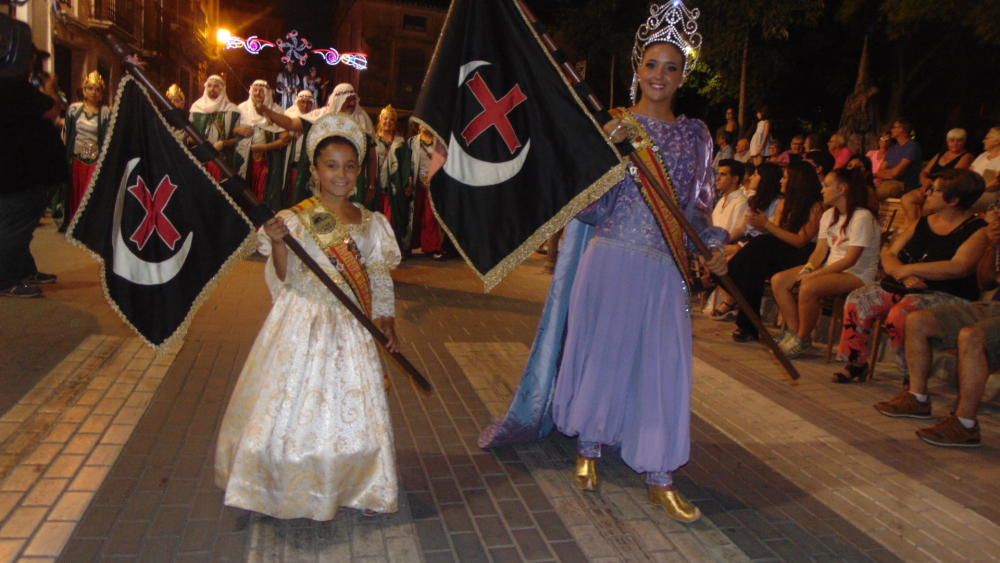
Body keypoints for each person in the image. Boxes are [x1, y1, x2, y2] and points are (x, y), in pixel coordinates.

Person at [479, 3, 728, 523]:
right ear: (637, 68)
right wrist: (607, 160)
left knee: (664, 365)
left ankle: (660, 472)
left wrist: (713, 245)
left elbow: (697, 206)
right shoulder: (613, 128)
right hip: (610, 256)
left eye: (672, 67)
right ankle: (589, 445)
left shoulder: (696, 136)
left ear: (683, 76)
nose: (660, 76)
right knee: (605, 354)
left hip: (663, 268)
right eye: (652, 65)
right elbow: (587, 208)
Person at [214, 113, 402, 520]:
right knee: (291, 407)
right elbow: (285, 277)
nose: (341, 174)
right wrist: (279, 244)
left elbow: (378, 275)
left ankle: (360, 483)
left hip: (352, 328)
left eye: (350, 166)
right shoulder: (297, 219)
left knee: (353, 408)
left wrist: (386, 319)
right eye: (331, 165)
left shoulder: (372, 223)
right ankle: (284, 480)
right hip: (303, 322)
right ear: (314, 169)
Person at [833, 169, 988, 383]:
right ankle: (856, 361)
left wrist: (909, 270)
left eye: (934, 190)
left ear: (953, 200)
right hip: (906, 286)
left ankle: (913, 376)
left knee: (902, 314)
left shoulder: (977, 229)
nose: (926, 193)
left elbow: (959, 266)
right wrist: (901, 274)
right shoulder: (923, 222)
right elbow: (889, 252)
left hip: (947, 293)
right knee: (859, 299)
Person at [874, 208, 999, 448]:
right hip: (992, 306)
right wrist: (992, 246)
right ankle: (917, 398)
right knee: (918, 320)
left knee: (971, 336)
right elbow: (986, 281)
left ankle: (965, 424)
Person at [772, 169, 880, 357]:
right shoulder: (829, 214)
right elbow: (820, 251)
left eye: (828, 185)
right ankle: (797, 334)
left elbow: (850, 259)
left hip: (857, 274)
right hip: (831, 268)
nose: (823, 190)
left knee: (809, 286)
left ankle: (802, 337)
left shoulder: (863, 217)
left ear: (842, 188)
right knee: (779, 281)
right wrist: (808, 268)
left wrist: (814, 275)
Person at [718, 161, 823, 337]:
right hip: (780, 248)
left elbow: (800, 241)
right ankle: (748, 322)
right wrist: (766, 227)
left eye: (786, 178)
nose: (782, 181)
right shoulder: (785, 203)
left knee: (759, 247)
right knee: (753, 266)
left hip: (803, 254)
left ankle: (726, 282)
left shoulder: (814, 206)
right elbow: (776, 233)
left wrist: (766, 225)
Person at [1, 18, 67, 298]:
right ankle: (6, 280)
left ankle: (24, 270)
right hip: (17, 177)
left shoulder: (17, 87)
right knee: (13, 230)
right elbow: (54, 109)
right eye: (30, 58)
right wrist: (50, 87)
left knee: (21, 230)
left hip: (26, 176)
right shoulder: (12, 89)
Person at [62, 71, 110, 228]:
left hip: (95, 158)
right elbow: (66, 134)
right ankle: (74, 224)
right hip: (76, 157)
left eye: (97, 89)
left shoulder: (105, 113)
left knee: (89, 192)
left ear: (102, 93)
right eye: (90, 88)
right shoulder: (74, 109)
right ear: (83, 90)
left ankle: (88, 225)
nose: (93, 92)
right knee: (75, 191)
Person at [901, 128, 975, 223]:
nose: (955, 143)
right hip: (928, 187)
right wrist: (924, 181)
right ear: (947, 141)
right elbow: (925, 171)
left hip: (944, 190)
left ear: (964, 142)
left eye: (959, 140)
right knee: (906, 199)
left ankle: (915, 230)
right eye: (952, 140)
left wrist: (933, 187)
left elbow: (953, 177)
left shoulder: (967, 156)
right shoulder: (941, 154)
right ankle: (914, 229)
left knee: (926, 208)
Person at [238, 80, 290, 210]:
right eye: (255, 90)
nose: (257, 93)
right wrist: (239, 130)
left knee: (265, 194)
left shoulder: (277, 111)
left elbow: (285, 139)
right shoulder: (241, 109)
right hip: (246, 159)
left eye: (261, 91)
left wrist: (264, 148)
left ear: (267, 93)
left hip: (269, 162)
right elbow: (232, 131)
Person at [189, 75, 249, 181]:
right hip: (200, 159)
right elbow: (189, 135)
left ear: (222, 89)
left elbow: (240, 140)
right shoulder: (196, 108)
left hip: (224, 161)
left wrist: (224, 143)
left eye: (216, 86)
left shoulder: (233, 111)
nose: (212, 89)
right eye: (209, 86)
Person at [374, 104, 412, 247]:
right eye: (385, 119)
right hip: (377, 185)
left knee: (392, 219)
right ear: (380, 120)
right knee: (376, 218)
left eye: (391, 120)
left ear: (395, 123)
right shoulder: (373, 140)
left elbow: (406, 165)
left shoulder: (400, 143)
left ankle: (391, 248)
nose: (388, 122)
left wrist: (407, 183)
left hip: (394, 187)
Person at [408, 123, 446, 259]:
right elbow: (408, 163)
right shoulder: (412, 142)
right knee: (415, 215)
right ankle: (411, 244)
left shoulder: (439, 142)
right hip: (416, 184)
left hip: (433, 184)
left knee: (431, 217)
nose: (426, 126)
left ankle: (432, 247)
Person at [282, 89, 316, 205]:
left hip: (309, 164)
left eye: (309, 103)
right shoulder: (288, 116)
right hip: (291, 162)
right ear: (297, 102)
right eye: (302, 102)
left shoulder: (316, 118)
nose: (305, 105)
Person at [875, 119, 922, 199]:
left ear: (901, 129)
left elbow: (897, 172)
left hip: (904, 185)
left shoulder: (912, 147)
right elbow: (879, 172)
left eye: (893, 127)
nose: (891, 130)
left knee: (875, 194)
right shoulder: (893, 149)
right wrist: (889, 174)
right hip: (888, 182)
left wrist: (888, 174)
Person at [969, 126, 999, 212]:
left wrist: (974, 191)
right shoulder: (983, 156)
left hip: (987, 195)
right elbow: (969, 173)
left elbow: (996, 183)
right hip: (971, 191)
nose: (983, 141)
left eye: (987, 138)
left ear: (997, 141)